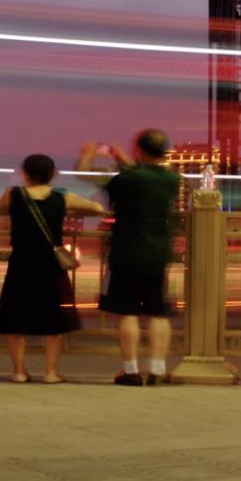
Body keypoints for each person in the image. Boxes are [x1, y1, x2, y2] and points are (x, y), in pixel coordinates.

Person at [0, 154, 105, 383]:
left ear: (25, 173)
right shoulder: (61, 197)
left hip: (21, 262)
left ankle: (19, 371)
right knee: (54, 318)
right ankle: (51, 371)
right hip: (50, 264)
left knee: (16, 317)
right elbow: (97, 208)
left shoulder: (14, 195)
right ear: (52, 174)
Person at [81, 130, 180, 386]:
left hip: (127, 251)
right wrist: (124, 157)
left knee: (128, 313)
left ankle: (131, 370)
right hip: (158, 251)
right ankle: (158, 369)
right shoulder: (172, 180)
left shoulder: (127, 179)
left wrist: (88, 155)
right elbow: (142, 175)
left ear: (139, 149)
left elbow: (87, 176)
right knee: (158, 313)